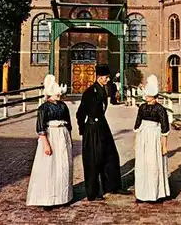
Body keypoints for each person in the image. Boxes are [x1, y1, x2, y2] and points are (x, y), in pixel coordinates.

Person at [76, 64, 131, 201]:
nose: (108, 80)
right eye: (106, 77)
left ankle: (113, 186)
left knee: (111, 156)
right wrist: (83, 129)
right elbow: (80, 113)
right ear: (100, 78)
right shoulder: (89, 92)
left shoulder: (103, 89)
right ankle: (93, 192)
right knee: (94, 160)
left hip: (102, 126)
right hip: (93, 128)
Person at [26, 74, 73, 209]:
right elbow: (40, 127)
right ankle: (47, 199)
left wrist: (68, 138)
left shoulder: (63, 106)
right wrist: (46, 144)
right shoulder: (44, 108)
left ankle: (62, 196)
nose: (58, 95)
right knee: (49, 167)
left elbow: (68, 123)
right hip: (50, 136)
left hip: (62, 135)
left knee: (62, 166)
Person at [134, 74, 170, 203]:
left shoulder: (160, 109)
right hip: (143, 137)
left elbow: (165, 129)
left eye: (149, 96)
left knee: (153, 164)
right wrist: (136, 142)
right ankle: (142, 193)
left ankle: (156, 193)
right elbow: (137, 125)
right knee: (142, 165)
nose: (147, 98)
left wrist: (164, 146)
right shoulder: (142, 107)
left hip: (154, 138)